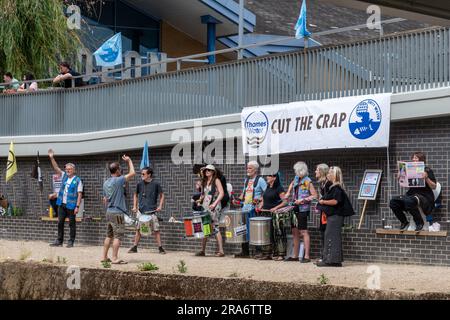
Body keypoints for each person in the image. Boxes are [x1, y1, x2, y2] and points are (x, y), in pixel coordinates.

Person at [390, 152, 437, 231]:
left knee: (409, 201)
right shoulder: (409, 169)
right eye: (413, 158)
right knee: (393, 202)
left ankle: (419, 223)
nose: (413, 159)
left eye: (416, 158)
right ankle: (404, 222)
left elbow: (434, 186)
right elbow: (404, 183)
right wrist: (400, 177)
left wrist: (426, 178)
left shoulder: (427, 170)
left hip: (424, 196)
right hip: (412, 194)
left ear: (421, 160)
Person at [102, 155, 135, 264]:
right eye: (120, 169)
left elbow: (105, 199)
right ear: (117, 170)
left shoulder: (106, 183)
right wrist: (129, 161)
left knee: (109, 235)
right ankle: (115, 258)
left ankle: (104, 257)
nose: (121, 170)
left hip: (109, 212)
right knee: (118, 236)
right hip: (118, 213)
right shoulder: (119, 180)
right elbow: (133, 173)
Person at [316, 166, 352, 267]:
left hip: (335, 216)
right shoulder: (333, 187)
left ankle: (330, 261)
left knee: (331, 236)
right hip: (334, 216)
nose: (328, 174)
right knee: (332, 236)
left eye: (330, 173)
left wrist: (323, 201)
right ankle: (335, 260)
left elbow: (335, 201)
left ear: (335, 175)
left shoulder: (337, 188)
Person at [48, 149, 83, 248]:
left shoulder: (77, 180)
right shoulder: (64, 176)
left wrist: (77, 206)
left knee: (72, 224)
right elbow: (56, 168)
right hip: (61, 204)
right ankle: (59, 241)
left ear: (74, 170)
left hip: (71, 205)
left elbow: (79, 194)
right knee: (60, 223)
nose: (67, 170)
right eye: (67, 169)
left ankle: (71, 241)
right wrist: (51, 158)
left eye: (70, 169)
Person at [285, 162, 318, 263]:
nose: (295, 172)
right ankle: (295, 255)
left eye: (296, 170)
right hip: (294, 207)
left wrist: (303, 200)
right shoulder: (296, 178)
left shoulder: (308, 181)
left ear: (301, 171)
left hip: (303, 208)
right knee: (295, 231)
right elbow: (291, 185)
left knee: (303, 231)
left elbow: (314, 195)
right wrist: (288, 192)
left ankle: (307, 256)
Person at [128, 167, 166, 254]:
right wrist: (134, 206)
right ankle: (134, 247)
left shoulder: (156, 184)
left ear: (149, 174)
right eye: (141, 174)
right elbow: (135, 195)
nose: (141, 175)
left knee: (156, 230)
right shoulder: (139, 184)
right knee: (138, 230)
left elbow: (162, 195)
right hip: (141, 211)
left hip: (152, 211)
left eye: (143, 174)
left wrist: (160, 206)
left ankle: (160, 248)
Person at [233, 161, 267, 258]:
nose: (248, 170)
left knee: (254, 230)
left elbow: (267, 193)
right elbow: (243, 193)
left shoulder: (260, 180)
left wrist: (260, 201)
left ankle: (258, 252)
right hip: (245, 208)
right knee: (243, 230)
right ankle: (245, 252)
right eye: (247, 168)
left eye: (250, 168)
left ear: (255, 170)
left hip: (253, 209)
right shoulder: (246, 180)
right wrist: (238, 200)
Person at [195, 164, 225, 257]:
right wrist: (200, 200)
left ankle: (221, 251)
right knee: (205, 227)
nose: (206, 171)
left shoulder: (216, 180)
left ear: (213, 172)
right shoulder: (204, 182)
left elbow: (222, 193)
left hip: (214, 206)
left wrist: (215, 203)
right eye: (206, 170)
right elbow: (203, 195)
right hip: (205, 206)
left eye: (208, 170)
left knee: (215, 226)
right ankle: (203, 250)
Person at [257, 172, 287, 261]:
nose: (267, 177)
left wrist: (275, 208)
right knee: (266, 234)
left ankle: (280, 254)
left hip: (276, 215)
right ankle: (267, 254)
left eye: (269, 175)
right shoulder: (267, 187)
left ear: (274, 178)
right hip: (265, 214)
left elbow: (285, 201)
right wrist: (260, 205)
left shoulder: (279, 188)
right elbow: (264, 199)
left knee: (278, 234)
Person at [314, 163, 332, 262]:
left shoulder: (328, 183)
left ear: (321, 171)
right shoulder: (322, 183)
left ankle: (327, 256)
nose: (315, 172)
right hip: (323, 212)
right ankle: (324, 255)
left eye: (317, 170)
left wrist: (322, 202)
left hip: (328, 213)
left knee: (326, 233)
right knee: (323, 232)